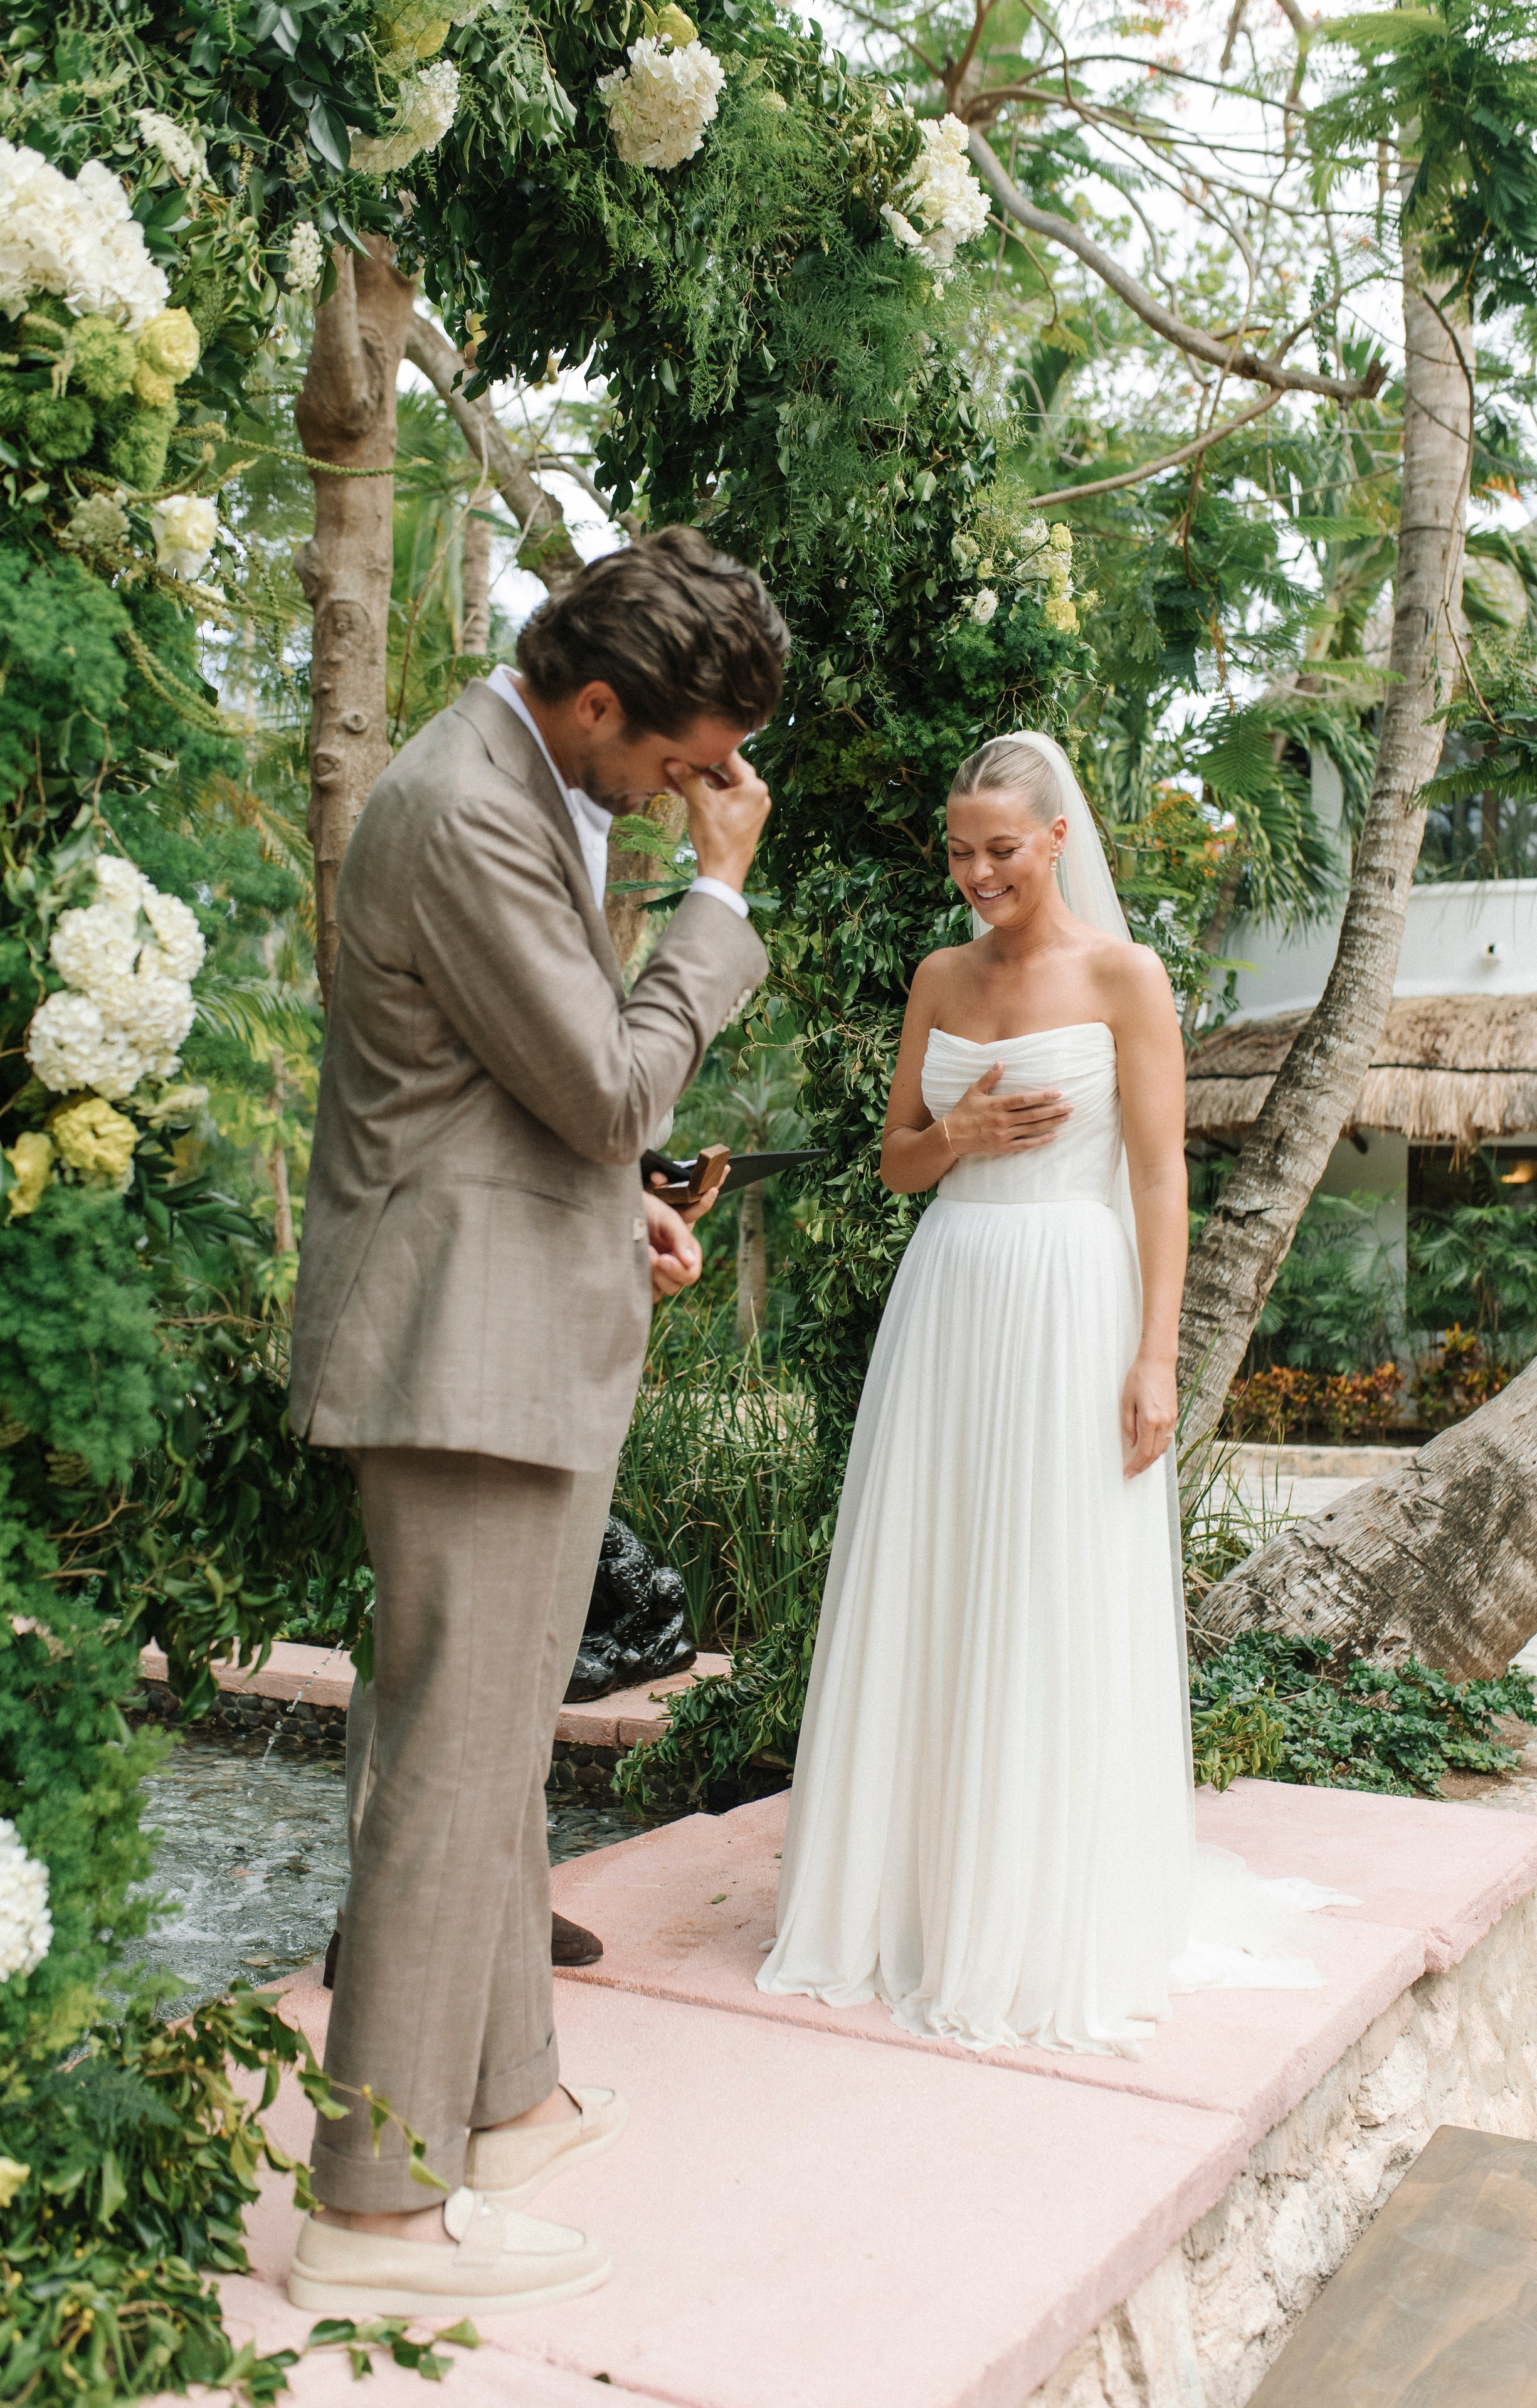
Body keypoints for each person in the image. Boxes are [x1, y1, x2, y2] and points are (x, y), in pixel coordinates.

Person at [285, 527, 784, 2318]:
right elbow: (604, 1080)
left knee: (478, 1755)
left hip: (497, 1326)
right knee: (449, 1774)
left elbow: (505, 1109)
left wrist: (613, 1209)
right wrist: (717, 908)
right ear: (593, 700)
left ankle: (498, 2106)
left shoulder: (519, 772)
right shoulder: (473, 803)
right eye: (678, 760)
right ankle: (375, 2212)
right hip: (459, 1356)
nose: (688, 797)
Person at [758, 732, 1348, 2054]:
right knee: (937, 1576)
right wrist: (952, 1135)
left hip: (1073, 1298)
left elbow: (1156, 1179)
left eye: (1000, 850)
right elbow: (898, 1165)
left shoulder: (1125, 978)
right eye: (959, 851)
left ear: (1056, 840)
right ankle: (910, 1899)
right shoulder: (935, 976)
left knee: (1046, 1581)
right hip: (950, 1298)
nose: (976, 873)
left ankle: (1038, 1911)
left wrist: (1155, 1358)